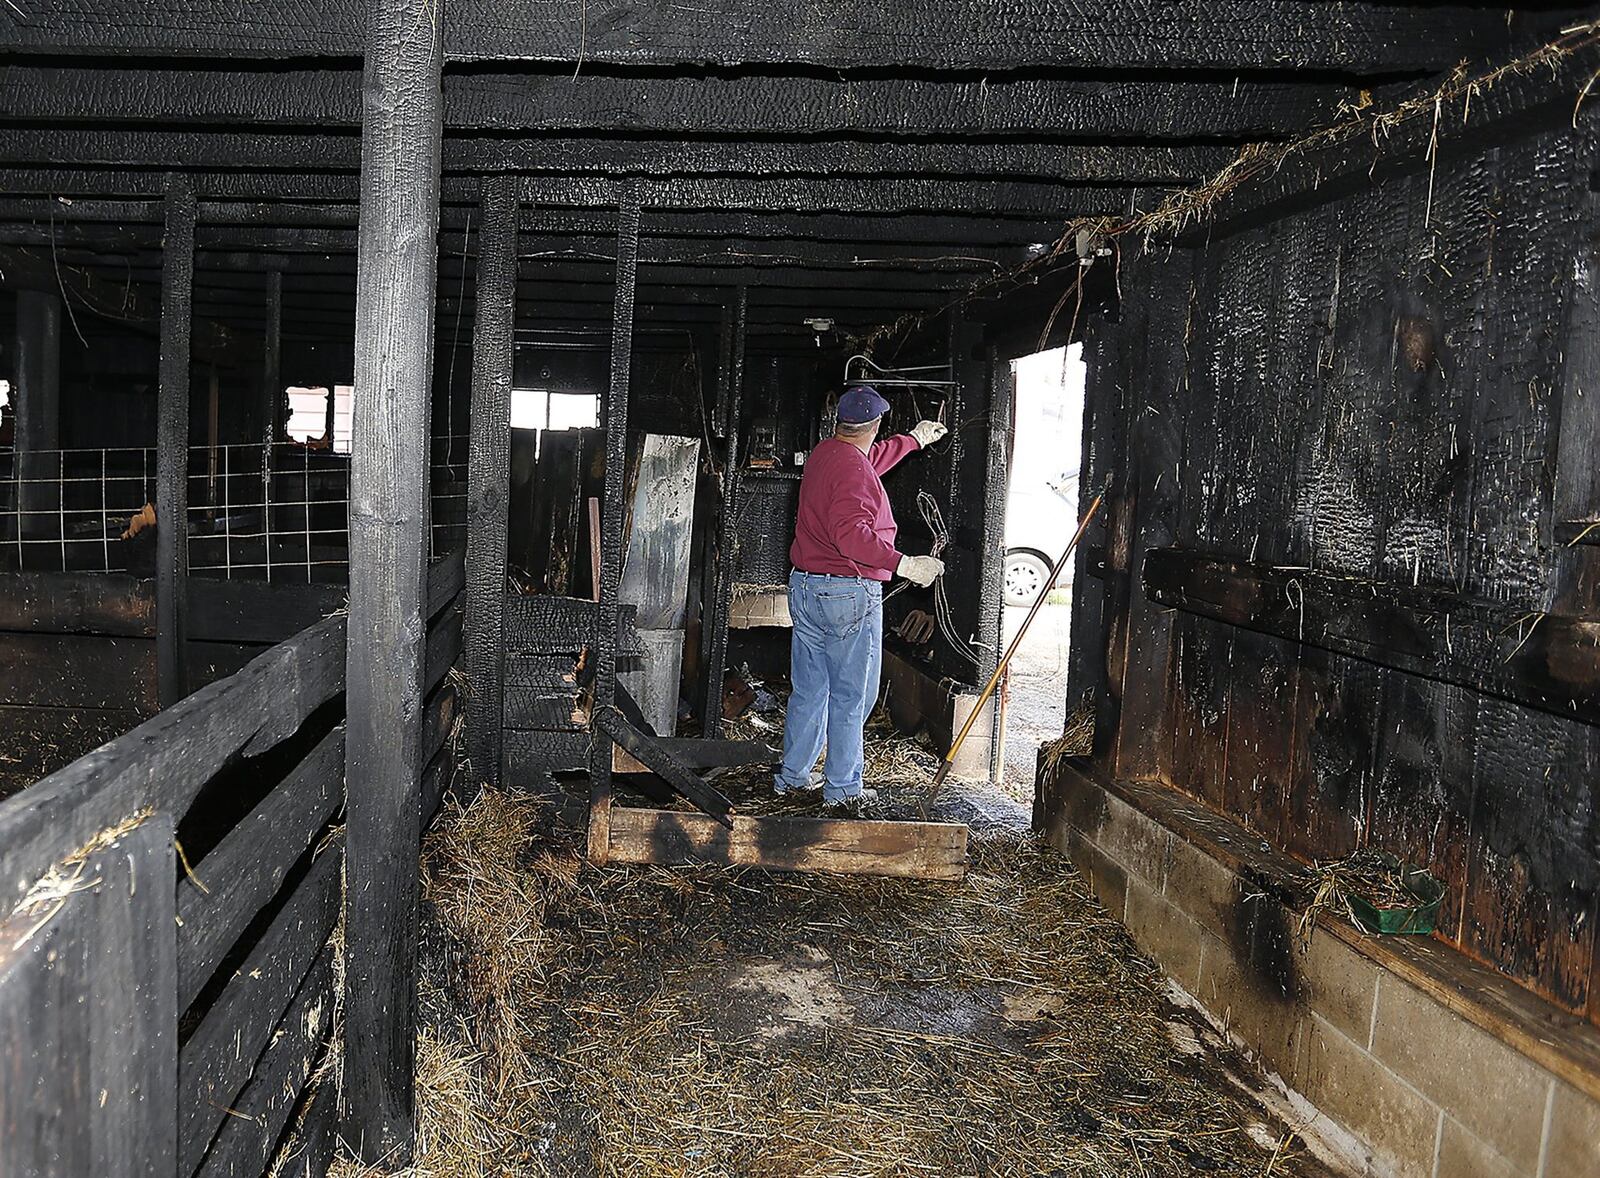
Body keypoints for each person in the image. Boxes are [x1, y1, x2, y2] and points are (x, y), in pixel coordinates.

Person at [775, 385, 947, 813]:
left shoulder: (826, 453)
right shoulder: (852, 469)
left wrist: (913, 441)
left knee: (811, 688)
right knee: (854, 695)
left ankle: (792, 776)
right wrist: (904, 564)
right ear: (874, 425)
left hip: (807, 586)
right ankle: (842, 788)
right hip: (847, 592)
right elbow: (851, 535)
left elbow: (867, 462)